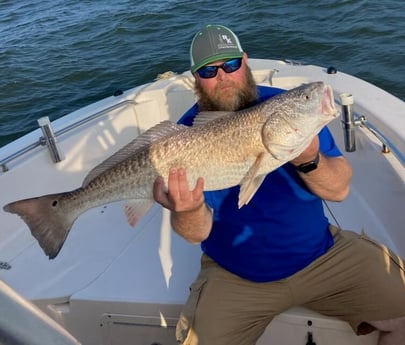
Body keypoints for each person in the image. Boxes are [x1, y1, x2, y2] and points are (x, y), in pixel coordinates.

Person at [153, 24, 405, 345]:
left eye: (231, 64)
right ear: (196, 78)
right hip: (236, 275)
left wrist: (309, 157)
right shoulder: (187, 137)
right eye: (208, 70)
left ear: (245, 62)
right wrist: (186, 208)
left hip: (323, 258)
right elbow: (196, 233)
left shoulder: (290, 108)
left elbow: (339, 190)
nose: (223, 76)